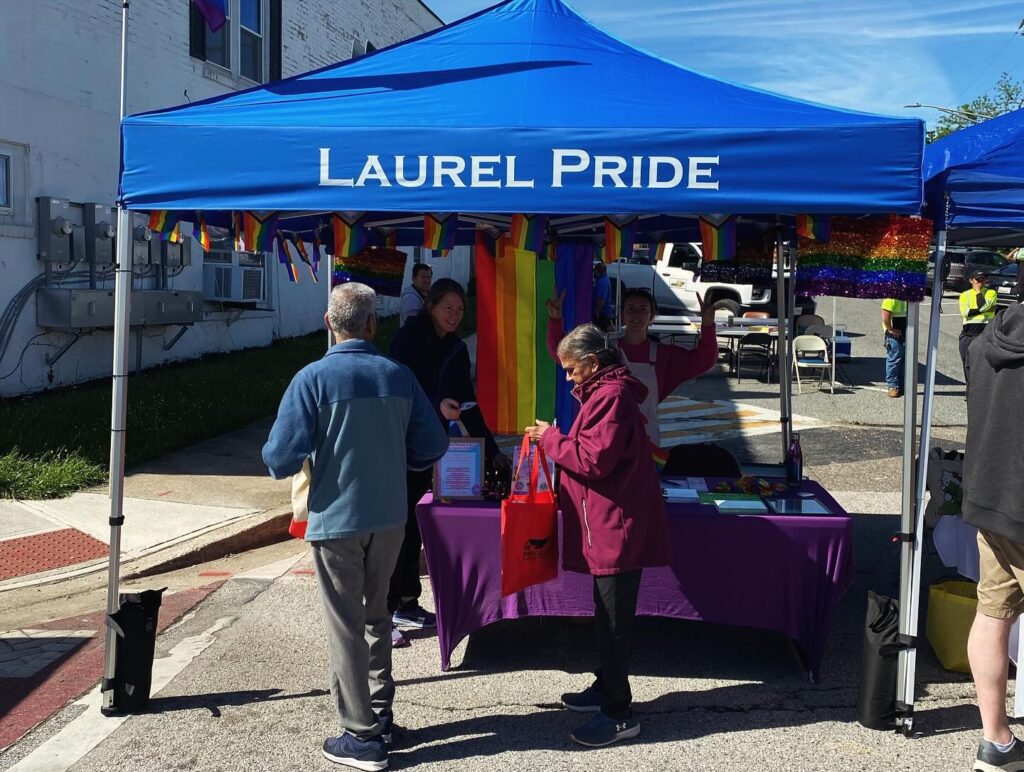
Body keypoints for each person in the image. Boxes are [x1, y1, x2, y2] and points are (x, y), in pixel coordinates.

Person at [262, 283, 448, 770]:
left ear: (329, 324)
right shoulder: (399, 375)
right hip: (389, 517)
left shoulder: (311, 379)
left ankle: (360, 734)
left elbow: (279, 459)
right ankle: (380, 717)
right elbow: (433, 444)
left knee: (344, 625)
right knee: (378, 616)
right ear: (372, 324)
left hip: (336, 519)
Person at [525, 324, 670, 748]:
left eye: (571, 370)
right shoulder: (606, 392)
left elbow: (592, 460)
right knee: (606, 617)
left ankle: (619, 713)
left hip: (615, 526)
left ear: (592, 363)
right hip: (608, 523)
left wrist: (550, 438)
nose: (569, 378)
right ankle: (606, 686)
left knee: (613, 623)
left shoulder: (611, 396)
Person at [388, 278, 509, 643]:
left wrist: (492, 450)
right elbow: (402, 384)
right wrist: (436, 403)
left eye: (459, 310)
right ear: (431, 306)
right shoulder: (409, 338)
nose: (454, 315)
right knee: (398, 528)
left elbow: (466, 403)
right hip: (400, 446)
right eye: (448, 308)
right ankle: (388, 607)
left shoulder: (456, 347)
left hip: (433, 450)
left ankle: (408, 602)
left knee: (419, 526)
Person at [962, 302, 1024, 772]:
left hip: (992, 500)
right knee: (992, 614)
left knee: (992, 613)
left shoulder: (983, 340)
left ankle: (996, 741)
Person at [547, 286, 717, 445]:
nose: (637, 314)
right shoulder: (604, 348)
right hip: (601, 437)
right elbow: (564, 356)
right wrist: (555, 319)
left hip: (645, 440)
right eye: (631, 309)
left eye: (643, 309)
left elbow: (704, 360)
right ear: (621, 314)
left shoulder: (665, 355)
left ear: (652, 316)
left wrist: (708, 325)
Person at [959, 269, 998, 396]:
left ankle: (983, 391)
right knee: (967, 364)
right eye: (978, 280)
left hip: (984, 333)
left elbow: (983, 307)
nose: (980, 283)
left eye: (983, 279)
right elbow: (966, 312)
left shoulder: (991, 293)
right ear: (971, 280)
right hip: (968, 334)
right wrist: (984, 308)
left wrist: (978, 295)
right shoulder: (964, 295)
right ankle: (970, 391)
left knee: (984, 364)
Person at [880, 298, 908, 398]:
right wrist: (890, 329)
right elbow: (885, 314)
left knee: (904, 361)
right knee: (894, 360)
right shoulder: (891, 296)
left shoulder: (907, 294)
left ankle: (900, 386)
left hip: (905, 331)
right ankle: (893, 386)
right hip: (895, 335)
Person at [592, 263, 614, 331]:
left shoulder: (602, 282)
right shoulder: (602, 280)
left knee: (600, 333)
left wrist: (596, 312)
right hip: (602, 313)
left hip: (602, 314)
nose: (594, 273)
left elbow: (601, 300)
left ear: (598, 271)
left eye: (594, 271)